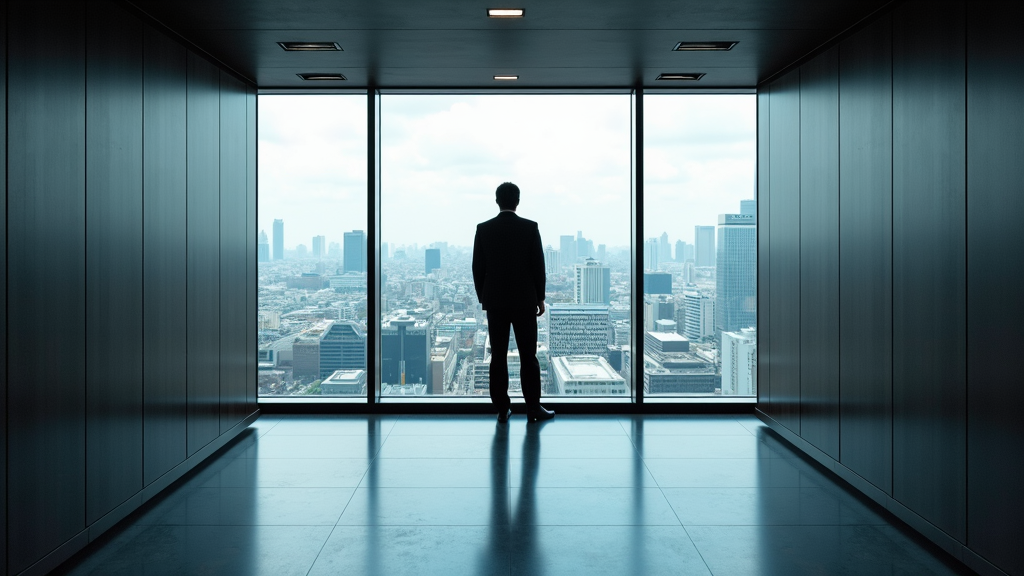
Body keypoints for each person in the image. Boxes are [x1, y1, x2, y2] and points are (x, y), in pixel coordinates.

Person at [472, 182, 554, 423]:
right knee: (528, 356)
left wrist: (483, 297)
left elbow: (478, 268)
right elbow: (538, 266)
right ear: (517, 201)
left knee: (498, 356)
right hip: (524, 301)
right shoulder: (530, 228)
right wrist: (540, 297)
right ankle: (533, 409)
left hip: (495, 302)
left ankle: (501, 409)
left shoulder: (483, 229)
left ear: (497, 201)